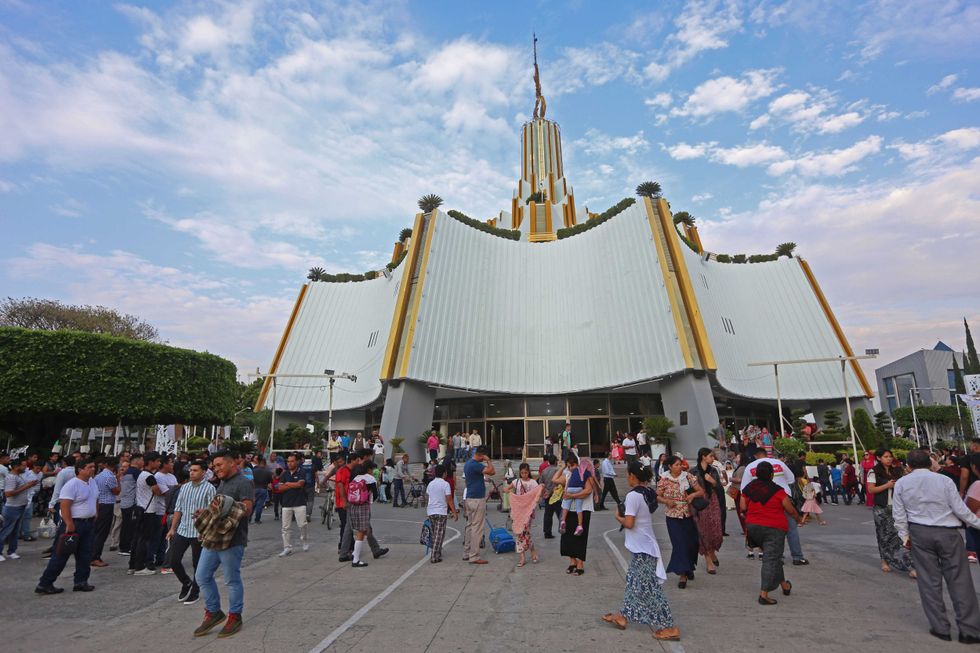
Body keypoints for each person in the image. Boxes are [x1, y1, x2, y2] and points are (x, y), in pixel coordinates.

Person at [893, 449, 980, 643]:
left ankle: (940, 628)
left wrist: (904, 536)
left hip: (919, 532)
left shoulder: (902, 483)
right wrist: (977, 523)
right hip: (948, 532)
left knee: (929, 582)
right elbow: (960, 509)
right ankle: (970, 631)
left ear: (908, 466)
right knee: (960, 581)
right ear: (931, 463)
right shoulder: (944, 480)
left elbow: (899, 515)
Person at [601, 462, 679, 641]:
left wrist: (618, 517)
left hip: (643, 548)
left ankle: (670, 626)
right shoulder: (647, 491)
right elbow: (656, 497)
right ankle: (623, 616)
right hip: (643, 545)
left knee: (650, 588)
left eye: (628, 474)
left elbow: (629, 523)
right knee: (632, 582)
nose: (627, 477)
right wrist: (667, 501)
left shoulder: (634, 496)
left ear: (633, 476)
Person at [193, 450, 254, 639]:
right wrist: (207, 512)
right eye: (214, 465)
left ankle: (235, 616)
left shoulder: (243, 482)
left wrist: (223, 512)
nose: (215, 468)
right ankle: (213, 612)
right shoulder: (223, 483)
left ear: (231, 463)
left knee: (231, 580)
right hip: (214, 538)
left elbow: (247, 508)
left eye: (219, 465)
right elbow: (219, 506)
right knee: (201, 575)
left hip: (233, 540)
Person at [740, 461, 801, 605]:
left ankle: (784, 585)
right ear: (772, 475)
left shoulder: (749, 488)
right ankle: (764, 594)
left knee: (773, 556)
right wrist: (798, 519)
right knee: (771, 559)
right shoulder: (778, 490)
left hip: (753, 527)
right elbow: (790, 509)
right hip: (774, 528)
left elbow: (743, 506)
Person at [36, 458, 98, 594]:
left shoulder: (92, 482)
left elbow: (95, 499)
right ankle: (45, 583)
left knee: (85, 554)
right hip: (74, 523)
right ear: (80, 470)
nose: (93, 469)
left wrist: (95, 513)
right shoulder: (72, 484)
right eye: (90, 467)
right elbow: (65, 505)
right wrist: (69, 523)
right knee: (61, 554)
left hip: (88, 523)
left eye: (93, 467)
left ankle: (81, 581)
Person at [740, 448, 809, 566]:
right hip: (784, 499)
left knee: (772, 532)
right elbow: (791, 479)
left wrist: (745, 510)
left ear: (756, 456)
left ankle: (778, 557)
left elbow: (744, 489)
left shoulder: (750, 466)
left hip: (761, 503)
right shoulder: (779, 463)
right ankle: (797, 557)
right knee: (791, 530)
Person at [166, 459, 215, 605]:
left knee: (197, 563)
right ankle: (186, 582)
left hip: (199, 531)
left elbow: (213, 511)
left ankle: (195, 591)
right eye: (191, 470)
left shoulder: (209, 489)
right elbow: (178, 509)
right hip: (183, 529)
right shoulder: (184, 487)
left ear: (204, 472)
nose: (192, 473)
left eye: (195, 470)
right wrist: (172, 528)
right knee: (174, 561)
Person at [867, 448, 915, 577]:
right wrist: (887, 485)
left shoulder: (897, 471)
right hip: (882, 508)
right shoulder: (874, 472)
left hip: (897, 507)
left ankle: (908, 564)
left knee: (900, 536)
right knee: (883, 536)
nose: (889, 458)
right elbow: (871, 490)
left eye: (890, 456)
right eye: (886, 456)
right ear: (878, 458)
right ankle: (885, 560)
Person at [657, 455, 704, 588]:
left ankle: (688, 567)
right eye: (676, 465)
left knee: (691, 543)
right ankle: (682, 575)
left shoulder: (688, 477)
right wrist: (666, 501)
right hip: (673, 516)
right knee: (679, 544)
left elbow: (701, 491)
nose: (679, 467)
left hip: (688, 514)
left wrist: (692, 495)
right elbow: (657, 495)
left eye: (680, 464)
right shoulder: (664, 479)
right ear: (670, 466)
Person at [339, 450, 389, 562]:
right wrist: (368, 499)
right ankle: (351, 556)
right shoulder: (369, 478)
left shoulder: (355, 474)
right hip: (363, 506)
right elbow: (375, 494)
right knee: (360, 530)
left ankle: (375, 550)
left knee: (362, 528)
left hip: (352, 504)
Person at [554, 453, 597, 575]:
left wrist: (572, 495)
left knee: (580, 537)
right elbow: (554, 479)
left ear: (578, 463)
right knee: (567, 536)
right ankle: (572, 561)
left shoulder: (585, 473)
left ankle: (580, 563)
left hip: (582, 510)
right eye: (568, 465)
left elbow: (588, 491)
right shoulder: (568, 474)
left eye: (572, 465)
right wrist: (562, 467)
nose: (570, 468)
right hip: (568, 510)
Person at [129, 452, 167, 575]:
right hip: (148, 510)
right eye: (158, 461)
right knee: (145, 540)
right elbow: (158, 492)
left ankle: (133, 565)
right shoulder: (149, 477)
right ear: (151, 462)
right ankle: (140, 567)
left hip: (141, 509)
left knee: (138, 538)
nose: (159, 463)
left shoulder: (141, 474)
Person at [462, 445, 495, 565]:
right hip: (477, 499)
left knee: (470, 526)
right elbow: (492, 471)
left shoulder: (467, 464)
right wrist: (488, 460)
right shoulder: (476, 464)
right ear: (482, 455)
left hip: (469, 497)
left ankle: (466, 552)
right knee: (477, 528)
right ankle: (474, 556)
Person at [504, 462, 541, 567]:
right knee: (518, 533)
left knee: (526, 532)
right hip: (518, 511)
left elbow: (538, 492)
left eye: (525, 472)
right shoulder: (517, 481)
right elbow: (506, 488)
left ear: (528, 472)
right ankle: (522, 556)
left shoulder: (533, 483)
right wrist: (509, 493)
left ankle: (532, 550)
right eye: (522, 473)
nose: (524, 475)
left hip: (528, 512)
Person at [693, 448, 723, 574]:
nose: (713, 458)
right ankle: (708, 561)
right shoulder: (693, 472)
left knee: (716, 531)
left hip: (713, 501)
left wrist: (712, 481)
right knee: (703, 531)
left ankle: (712, 552)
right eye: (711, 456)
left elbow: (719, 487)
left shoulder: (713, 470)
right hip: (700, 503)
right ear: (703, 457)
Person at [1, 457, 38, 561]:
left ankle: (12, 551)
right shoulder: (12, 477)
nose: (25, 467)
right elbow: (8, 493)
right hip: (12, 508)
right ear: (16, 466)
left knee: (15, 531)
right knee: (6, 530)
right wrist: (27, 486)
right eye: (23, 465)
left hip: (20, 506)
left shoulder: (19, 476)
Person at [90, 457, 120, 568]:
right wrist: (119, 480)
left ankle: (93, 555)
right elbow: (116, 491)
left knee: (97, 531)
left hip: (99, 504)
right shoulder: (110, 477)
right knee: (102, 533)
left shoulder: (98, 476)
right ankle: (95, 557)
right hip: (106, 505)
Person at [278, 453, 309, 557]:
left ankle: (304, 541)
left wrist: (287, 483)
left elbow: (300, 484)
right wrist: (293, 485)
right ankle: (287, 547)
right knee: (285, 527)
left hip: (299, 502)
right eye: (288, 461)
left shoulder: (302, 471)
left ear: (296, 462)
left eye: (292, 461)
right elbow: (280, 488)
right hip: (286, 503)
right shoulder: (284, 474)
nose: (289, 463)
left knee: (302, 524)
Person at [425, 463, 458, 563]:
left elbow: (428, 496)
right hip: (441, 512)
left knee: (435, 533)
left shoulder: (431, 483)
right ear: (444, 473)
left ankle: (437, 553)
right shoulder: (445, 484)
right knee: (439, 534)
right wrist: (454, 511)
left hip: (431, 511)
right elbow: (449, 499)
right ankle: (434, 556)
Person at [559, 456, 590, 536]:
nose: (570, 468)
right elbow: (590, 480)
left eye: (570, 466)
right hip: (579, 489)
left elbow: (567, 482)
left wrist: (566, 491)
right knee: (579, 509)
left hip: (570, 489)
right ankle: (580, 525)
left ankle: (563, 521)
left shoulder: (572, 473)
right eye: (568, 467)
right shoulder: (584, 471)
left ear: (576, 464)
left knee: (566, 507)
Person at [539, 455, 561, 539]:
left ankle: (547, 532)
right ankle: (564, 529)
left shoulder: (544, 471)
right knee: (560, 514)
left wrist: (545, 492)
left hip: (547, 495)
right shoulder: (557, 471)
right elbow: (558, 483)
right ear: (555, 461)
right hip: (556, 495)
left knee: (548, 515)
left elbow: (541, 483)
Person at [251, 457, 272, 524]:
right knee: (259, 505)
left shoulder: (253, 471)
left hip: (255, 489)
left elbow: (251, 480)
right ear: (265, 464)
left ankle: (249, 519)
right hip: (263, 489)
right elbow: (269, 481)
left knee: (253, 504)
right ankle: (257, 519)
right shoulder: (268, 472)